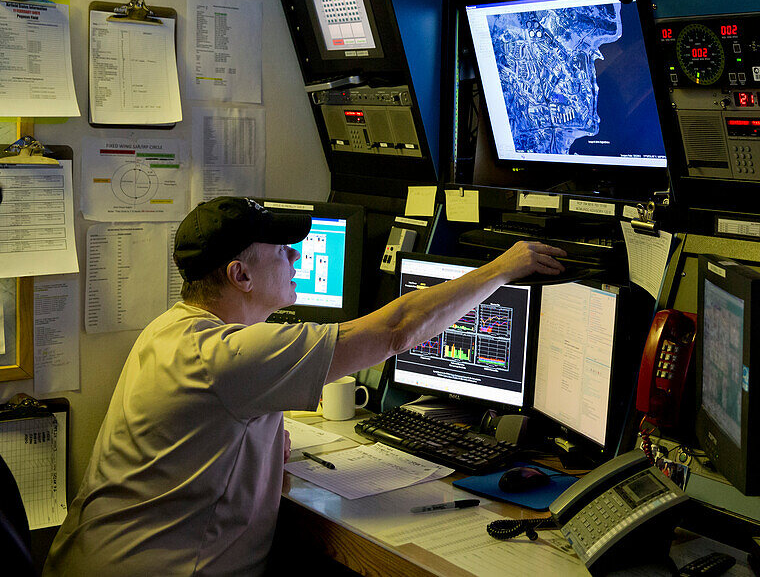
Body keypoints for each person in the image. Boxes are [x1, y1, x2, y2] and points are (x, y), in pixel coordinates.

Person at [43, 196, 565, 576]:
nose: (297, 261)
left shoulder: (170, 328)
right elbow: (396, 329)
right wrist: (501, 269)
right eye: (281, 252)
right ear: (240, 276)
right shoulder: (230, 355)